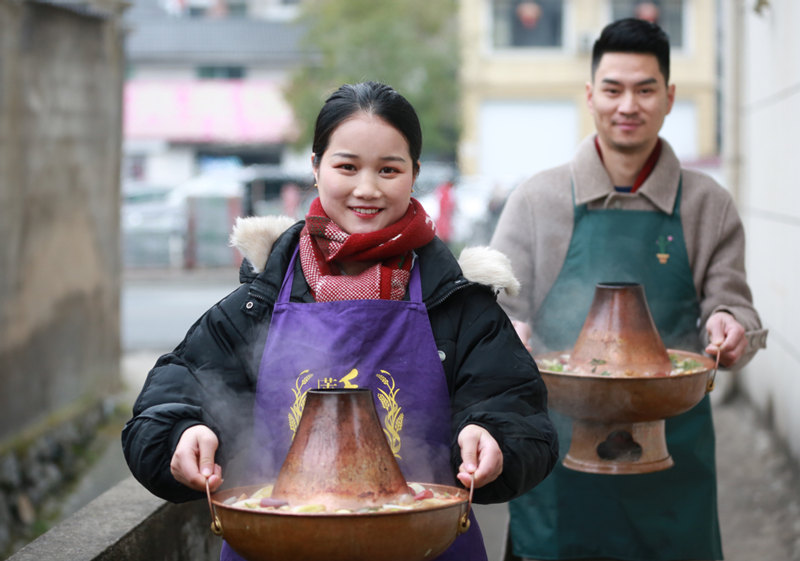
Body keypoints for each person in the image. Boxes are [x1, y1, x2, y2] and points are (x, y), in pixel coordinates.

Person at [122, 81, 558, 561]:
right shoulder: (257, 301)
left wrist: (491, 435)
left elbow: (517, 409)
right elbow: (176, 392)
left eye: (389, 169)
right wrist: (184, 432)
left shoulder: (457, 301)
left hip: (427, 547)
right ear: (315, 167)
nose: (366, 189)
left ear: (414, 173)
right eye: (347, 166)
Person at [490, 18, 768, 561]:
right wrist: (509, 333)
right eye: (613, 89)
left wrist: (732, 326)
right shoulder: (536, 199)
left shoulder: (707, 204)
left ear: (668, 97)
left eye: (645, 90)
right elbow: (494, 313)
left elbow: (731, 301)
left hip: (674, 465)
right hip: (558, 462)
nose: (628, 105)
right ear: (591, 95)